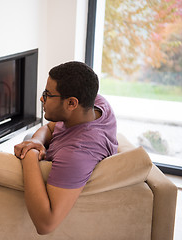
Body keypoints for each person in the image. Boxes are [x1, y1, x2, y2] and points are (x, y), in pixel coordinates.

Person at [14, 61, 118, 234]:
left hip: (42, 162)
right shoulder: (96, 104)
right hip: (46, 147)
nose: (42, 99)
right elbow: (49, 127)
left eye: (47, 94)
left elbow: (46, 224)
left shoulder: (76, 154)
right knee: (29, 138)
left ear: (71, 103)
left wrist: (30, 155)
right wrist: (38, 141)